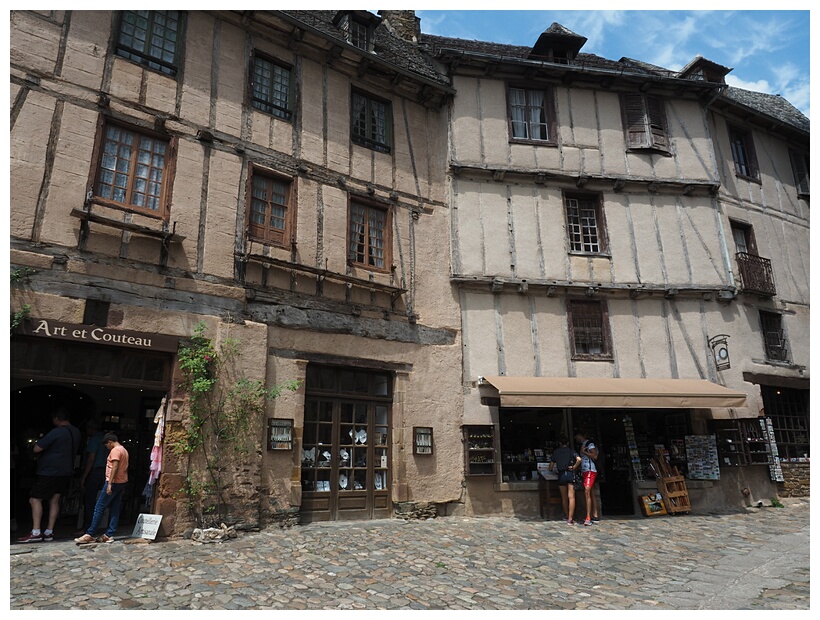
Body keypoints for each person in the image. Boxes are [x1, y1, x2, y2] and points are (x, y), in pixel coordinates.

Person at [17, 408, 81, 543]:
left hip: (50, 471)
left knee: (35, 499)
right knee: (55, 500)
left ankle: (36, 531)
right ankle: (49, 531)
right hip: (66, 471)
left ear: (57, 419)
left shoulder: (57, 432)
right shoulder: (76, 432)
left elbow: (37, 448)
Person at [75, 433, 129, 544]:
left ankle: (90, 533)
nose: (106, 447)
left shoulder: (115, 451)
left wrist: (109, 483)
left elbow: (115, 466)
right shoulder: (124, 450)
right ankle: (109, 533)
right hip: (121, 481)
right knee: (115, 508)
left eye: (106, 445)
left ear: (109, 441)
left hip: (113, 482)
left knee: (99, 507)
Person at [75, 420, 108, 536]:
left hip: (95, 472)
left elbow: (91, 459)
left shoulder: (94, 439)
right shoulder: (105, 438)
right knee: (100, 501)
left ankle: (88, 527)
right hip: (104, 471)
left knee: (89, 500)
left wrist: (84, 476)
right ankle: (96, 525)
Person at [551, 435, 581, 525]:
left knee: (564, 497)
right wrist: (574, 467)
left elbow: (551, 466)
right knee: (571, 497)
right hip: (570, 473)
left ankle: (567, 515)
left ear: (560, 443)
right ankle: (570, 519)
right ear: (567, 443)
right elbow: (579, 459)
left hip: (561, 475)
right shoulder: (571, 451)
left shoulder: (556, 452)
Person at [575, 432, 599, 526]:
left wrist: (584, 452)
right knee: (591, 492)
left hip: (590, 470)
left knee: (587, 491)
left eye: (577, 437)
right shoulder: (582, 445)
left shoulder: (589, 444)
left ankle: (588, 517)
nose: (576, 439)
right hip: (585, 470)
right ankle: (595, 515)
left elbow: (595, 456)